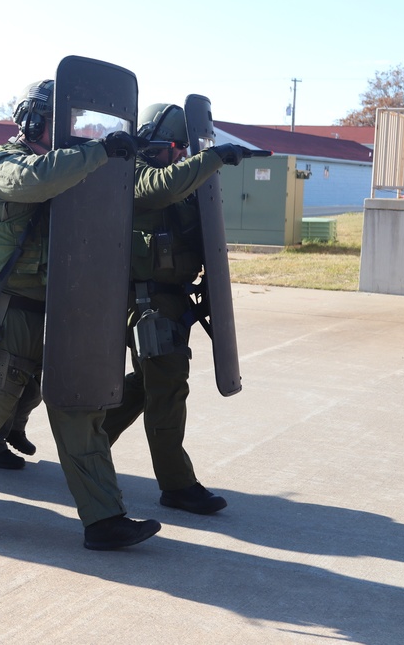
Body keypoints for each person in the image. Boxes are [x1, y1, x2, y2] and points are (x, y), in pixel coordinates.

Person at [0, 79, 161, 550]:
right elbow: (36, 180)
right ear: (33, 120)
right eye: (61, 121)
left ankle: (104, 519)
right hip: (10, 309)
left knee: (79, 408)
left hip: (64, 311)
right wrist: (99, 151)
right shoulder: (4, 166)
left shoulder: (70, 165)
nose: (70, 132)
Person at [100, 103, 251, 514]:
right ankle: (177, 485)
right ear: (153, 144)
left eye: (186, 148)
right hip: (147, 303)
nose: (182, 155)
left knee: (149, 385)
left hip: (174, 300)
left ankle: (89, 445)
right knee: (167, 390)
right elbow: (162, 187)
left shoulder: (181, 177)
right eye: (176, 147)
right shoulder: (133, 173)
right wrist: (214, 157)